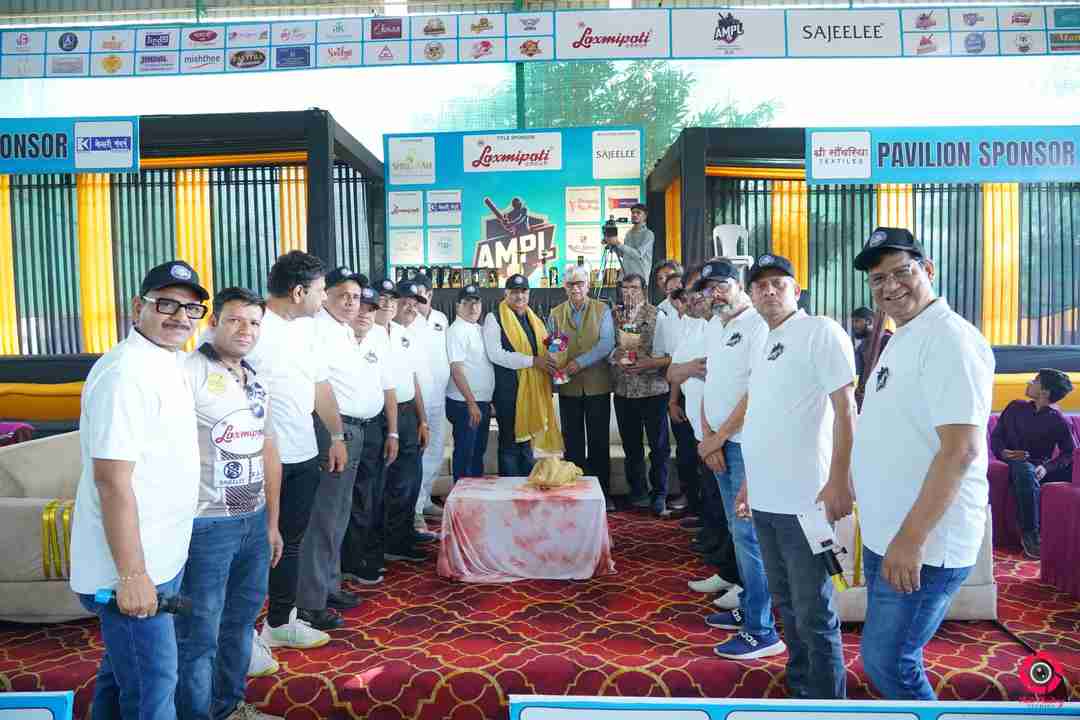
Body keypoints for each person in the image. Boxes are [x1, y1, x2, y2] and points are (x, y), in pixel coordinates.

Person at [851, 227, 995, 699]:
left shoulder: (950, 339)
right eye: (878, 279)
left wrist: (911, 539)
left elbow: (961, 450)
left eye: (902, 272)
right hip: (890, 534)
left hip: (923, 544)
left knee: (890, 662)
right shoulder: (906, 334)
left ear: (928, 269)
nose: (890, 286)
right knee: (886, 658)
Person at [70, 260, 208, 720]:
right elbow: (112, 481)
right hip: (130, 567)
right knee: (154, 687)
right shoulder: (125, 373)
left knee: (122, 674)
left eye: (191, 309)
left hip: (160, 555)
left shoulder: (166, 361)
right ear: (137, 307)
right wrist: (132, 576)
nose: (180, 317)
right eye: (166, 304)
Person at [739, 252, 856, 700]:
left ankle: (828, 703)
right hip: (766, 499)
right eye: (760, 285)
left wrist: (840, 479)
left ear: (797, 290)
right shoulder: (764, 340)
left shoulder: (820, 331)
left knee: (813, 610)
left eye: (778, 283)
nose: (769, 290)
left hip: (807, 502)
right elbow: (764, 417)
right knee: (786, 605)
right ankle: (801, 688)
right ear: (751, 295)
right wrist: (749, 482)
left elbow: (846, 409)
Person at [176, 287, 283, 720]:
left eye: (254, 322)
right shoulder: (188, 372)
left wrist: (272, 523)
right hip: (206, 525)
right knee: (198, 633)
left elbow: (268, 448)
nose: (246, 329)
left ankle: (228, 707)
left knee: (240, 625)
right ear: (213, 322)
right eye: (235, 319)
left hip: (252, 521)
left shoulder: (255, 379)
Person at [252, 251, 346, 651]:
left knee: (291, 542)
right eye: (321, 291)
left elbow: (320, 385)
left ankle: (280, 622)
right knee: (254, 548)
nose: (324, 298)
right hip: (257, 459)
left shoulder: (308, 329)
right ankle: (241, 636)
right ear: (297, 292)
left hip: (303, 452)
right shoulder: (251, 326)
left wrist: (337, 436)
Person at [692, 260, 784, 660]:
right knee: (737, 531)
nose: (714, 293)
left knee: (749, 535)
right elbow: (711, 382)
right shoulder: (716, 325)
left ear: (739, 285)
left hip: (745, 445)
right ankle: (749, 607)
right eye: (708, 287)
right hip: (719, 442)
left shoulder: (758, 325)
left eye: (721, 285)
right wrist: (708, 436)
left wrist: (721, 437)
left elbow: (756, 391)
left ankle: (762, 630)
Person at [295, 269, 389, 631]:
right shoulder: (316, 329)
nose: (351, 303)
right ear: (326, 296)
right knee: (324, 517)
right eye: (342, 295)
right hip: (333, 431)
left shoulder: (344, 331)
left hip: (354, 430)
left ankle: (328, 586)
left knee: (339, 515)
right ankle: (310, 602)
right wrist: (335, 434)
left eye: (356, 297)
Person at [340, 284, 398, 585]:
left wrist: (394, 432)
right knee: (342, 499)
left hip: (373, 427)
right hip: (342, 429)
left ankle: (360, 556)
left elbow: (389, 387)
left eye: (371, 309)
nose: (365, 313)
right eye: (360, 307)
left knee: (369, 494)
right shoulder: (335, 336)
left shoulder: (378, 336)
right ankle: (345, 562)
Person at [547, 265, 615, 506]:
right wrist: (555, 363)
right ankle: (574, 496)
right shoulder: (555, 313)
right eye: (570, 284)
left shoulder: (602, 310)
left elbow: (606, 344)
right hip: (568, 388)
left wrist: (579, 363)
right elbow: (553, 346)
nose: (575, 288)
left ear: (588, 285)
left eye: (580, 283)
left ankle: (602, 495)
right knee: (572, 444)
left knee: (599, 443)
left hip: (598, 386)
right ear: (564, 287)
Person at [482, 274, 563, 476]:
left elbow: (545, 349)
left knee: (526, 443)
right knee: (509, 444)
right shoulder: (494, 317)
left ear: (529, 293)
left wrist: (556, 355)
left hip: (532, 391)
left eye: (523, 291)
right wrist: (533, 361)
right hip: (508, 392)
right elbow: (496, 354)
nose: (520, 296)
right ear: (506, 293)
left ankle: (526, 487)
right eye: (514, 292)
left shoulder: (534, 319)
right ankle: (509, 489)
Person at [991, 368, 1075, 558]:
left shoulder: (1058, 420)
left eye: (1035, 380)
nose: (1029, 382)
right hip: (1014, 463)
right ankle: (1030, 534)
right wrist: (1004, 452)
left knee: (1066, 469)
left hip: (1040, 468)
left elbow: (1069, 453)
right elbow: (996, 438)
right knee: (1025, 470)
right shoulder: (1014, 407)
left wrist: (1046, 468)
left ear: (1044, 392)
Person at [610, 272, 672, 516]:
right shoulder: (614, 316)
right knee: (631, 447)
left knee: (658, 447)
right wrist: (616, 357)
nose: (629, 293)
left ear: (644, 290)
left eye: (634, 288)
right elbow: (608, 348)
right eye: (625, 288)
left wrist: (647, 363)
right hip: (624, 391)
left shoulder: (658, 315)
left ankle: (660, 494)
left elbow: (667, 354)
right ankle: (638, 492)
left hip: (653, 390)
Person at [380, 279, 433, 562]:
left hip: (409, 413)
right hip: (385, 416)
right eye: (405, 302)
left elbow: (413, 380)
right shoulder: (372, 332)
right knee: (393, 483)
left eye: (415, 304)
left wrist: (423, 420)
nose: (411, 308)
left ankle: (404, 533)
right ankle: (390, 542)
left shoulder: (405, 334)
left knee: (411, 479)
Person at [410, 274, 451, 532]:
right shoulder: (406, 320)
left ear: (430, 294)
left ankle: (424, 500)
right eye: (413, 295)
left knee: (435, 451)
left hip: (440, 397)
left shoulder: (441, 319)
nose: (416, 300)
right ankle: (414, 510)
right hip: (417, 401)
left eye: (421, 294)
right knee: (419, 454)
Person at [445, 284, 495, 480]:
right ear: (458, 306)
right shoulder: (456, 330)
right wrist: (471, 403)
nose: (473, 307)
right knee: (465, 456)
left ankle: (474, 497)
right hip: (464, 403)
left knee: (477, 456)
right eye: (467, 303)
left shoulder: (479, 329)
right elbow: (456, 371)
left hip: (480, 402)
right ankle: (461, 497)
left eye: (477, 303)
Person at [607, 204, 654, 288]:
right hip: (624, 277)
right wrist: (613, 245)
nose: (634, 215)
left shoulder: (648, 234)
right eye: (633, 213)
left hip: (638, 279)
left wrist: (618, 243)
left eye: (638, 213)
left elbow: (638, 254)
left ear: (645, 216)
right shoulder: (628, 233)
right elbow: (624, 254)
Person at [851, 306, 892, 380]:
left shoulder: (886, 340)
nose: (854, 325)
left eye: (857, 321)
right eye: (853, 322)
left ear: (869, 321)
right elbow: (858, 371)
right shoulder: (861, 346)